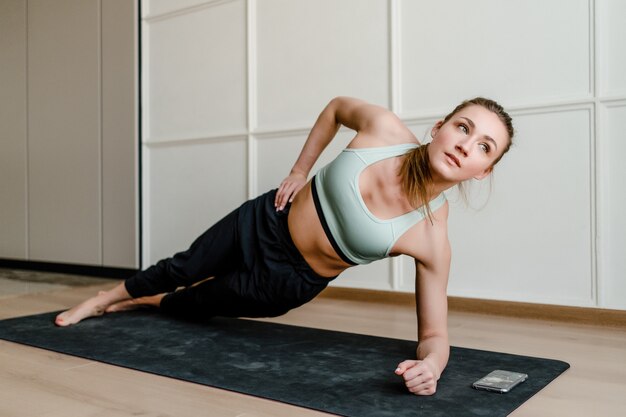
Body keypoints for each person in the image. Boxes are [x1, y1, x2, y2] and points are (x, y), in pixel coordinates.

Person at [55, 96, 514, 396]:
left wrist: (431, 368)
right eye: (463, 127)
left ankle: (149, 302)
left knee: (197, 305)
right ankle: (107, 297)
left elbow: (434, 335)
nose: (465, 144)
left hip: (287, 282)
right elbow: (336, 109)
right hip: (265, 220)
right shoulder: (384, 130)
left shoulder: (431, 236)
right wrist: (299, 170)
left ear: (483, 170)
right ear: (439, 127)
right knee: (184, 265)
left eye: (483, 146)